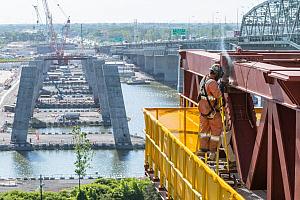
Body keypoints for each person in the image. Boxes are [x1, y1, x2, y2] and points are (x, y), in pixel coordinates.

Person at [197, 64, 224, 160]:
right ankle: (212, 152)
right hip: (211, 111)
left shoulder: (204, 79)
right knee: (216, 131)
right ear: (216, 74)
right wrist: (221, 87)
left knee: (204, 131)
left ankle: (203, 149)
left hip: (203, 110)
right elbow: (218, 95)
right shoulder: (212, 83)